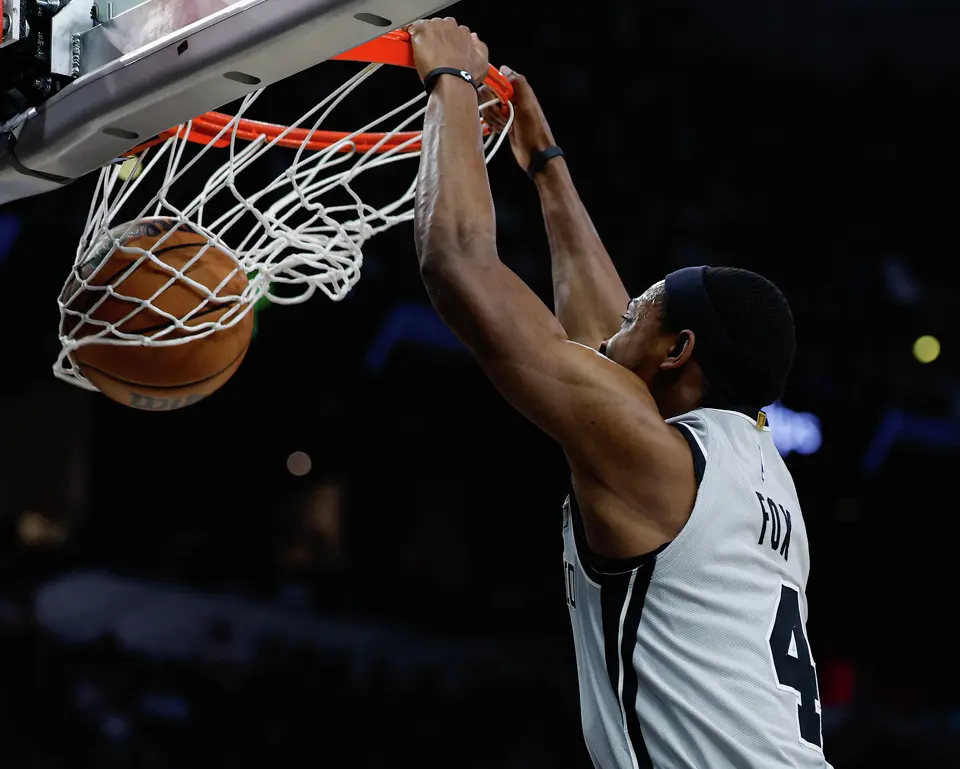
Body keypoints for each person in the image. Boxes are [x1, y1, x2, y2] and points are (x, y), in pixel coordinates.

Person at [407, 18, 832, 769]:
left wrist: (453, 83)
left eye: (643, 312)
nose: (618, 318)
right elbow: (607, 331)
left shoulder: (658, 462)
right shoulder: (754, 466)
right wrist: (544, 162)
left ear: (678, 352)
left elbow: (459, 265)